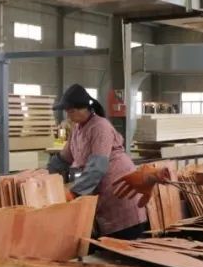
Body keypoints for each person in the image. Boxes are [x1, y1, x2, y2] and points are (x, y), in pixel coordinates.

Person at [47, 84, 147, 240]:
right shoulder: (78, 129)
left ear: (83, 109)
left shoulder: (100, 126)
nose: (68, 116)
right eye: (67, 111)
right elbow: (64, 157)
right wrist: (44, 174)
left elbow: (97, 167)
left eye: (71, 111)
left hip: (119, 190)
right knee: (108, 242)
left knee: (123, 243)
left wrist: (74, 193)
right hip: (103, 191)